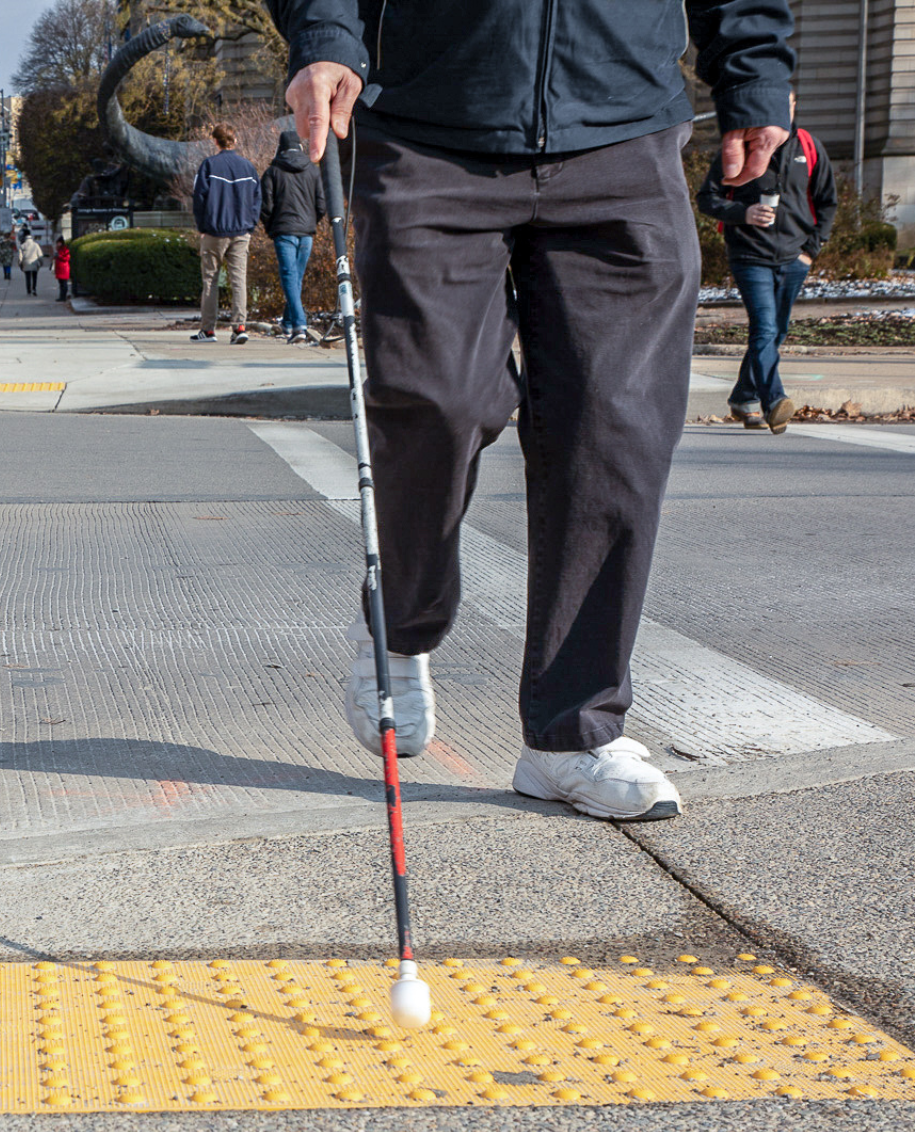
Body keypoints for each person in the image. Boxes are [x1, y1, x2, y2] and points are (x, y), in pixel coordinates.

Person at [275, 0, 794, 820]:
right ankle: (400, 623)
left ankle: (572, 733)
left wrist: (756, 75)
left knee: (614, 429)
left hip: (623, 125)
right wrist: (327, 39)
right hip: (429, 120)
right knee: (436, 400)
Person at [697, 92, 836, 433]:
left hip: (794, 257)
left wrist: (810, 251)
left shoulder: (809, 146)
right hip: (749, 255)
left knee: (778, 331)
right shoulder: (740, 147)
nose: (779, 110)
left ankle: (744, 396)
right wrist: (743, 212)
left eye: (785, 103)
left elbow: (827, 202)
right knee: (765, 328)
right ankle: (774, 400)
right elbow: (707, 198)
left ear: (793, 106)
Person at [191, 123, 260, 344]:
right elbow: (257, 200)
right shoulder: (248, 167)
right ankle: (240, 327)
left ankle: (208, 330)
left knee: (210, 280)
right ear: (235, 141)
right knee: (239, 280)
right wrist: (250, 225)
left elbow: (199, 198)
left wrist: (202, 227)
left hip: (214, 230)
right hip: (241, 231)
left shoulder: (209, 165)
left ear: (215, 141)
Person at [259, 129, 324, 343]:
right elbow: (321, 204)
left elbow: (266, 207)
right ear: (300, 146)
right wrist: (310, 223)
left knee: (289, 277)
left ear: (280, 147)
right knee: (295, 278)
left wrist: (271, 228)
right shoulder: (313, 171)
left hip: (284, 231)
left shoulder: (272, 172)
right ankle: (287, 324)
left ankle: (299, 326)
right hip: (306, 233)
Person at [18, 231, 44, 295]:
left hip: (26, 263)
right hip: (34, 263)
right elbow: (40, 255)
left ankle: (28, 290)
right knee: (34, 276)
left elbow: (20, 257)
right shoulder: (36, 245)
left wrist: (20, 263)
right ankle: (34, 289)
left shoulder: (22, 246)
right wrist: (41, 263)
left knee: (28, 277)